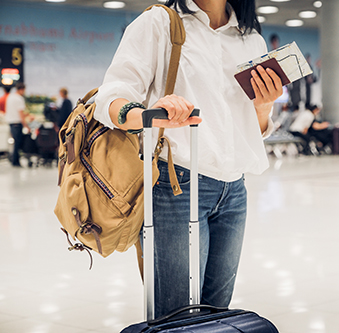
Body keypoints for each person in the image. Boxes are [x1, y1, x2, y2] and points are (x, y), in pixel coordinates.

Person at [94, 0, 282, 318]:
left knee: (217, 311)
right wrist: (150, 114)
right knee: (175, 314)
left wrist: (264, 107)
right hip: (176, 184)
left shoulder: (251, 38)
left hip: (234, 189)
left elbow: (255, 128)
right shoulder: (159, 23)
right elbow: (111, 97)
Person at [5, 82, 29, 167]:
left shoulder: (10, 97)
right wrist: (26, 126)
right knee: (18, 143)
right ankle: (15, 161)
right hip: (17, 123)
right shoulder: (19, 99)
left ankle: (14, 160)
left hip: (11, 123)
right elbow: (20, 114)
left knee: (15, 142)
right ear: (22, 89)